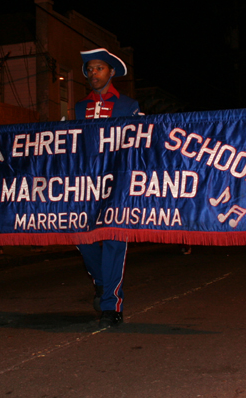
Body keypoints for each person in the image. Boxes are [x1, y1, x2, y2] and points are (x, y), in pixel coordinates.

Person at [75, 48, 141, 328]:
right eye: (89, 69)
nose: (93, 74)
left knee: (114, 242)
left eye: (98, 68)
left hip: (117, 185)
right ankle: (103, 284)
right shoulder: (79, 108)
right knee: (81, 237)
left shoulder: (128, 105)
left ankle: (111, 305)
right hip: (86, 184)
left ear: (111, 72)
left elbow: (139, 142)